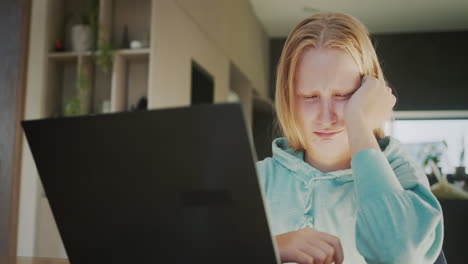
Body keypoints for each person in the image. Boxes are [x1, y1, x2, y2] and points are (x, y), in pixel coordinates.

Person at [256, 12, 444, 264]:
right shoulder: (258, 179)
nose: (326, 117)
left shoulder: (401, 173)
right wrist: (270, 248)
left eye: (343, 96)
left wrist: (359, 122)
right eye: (310, 97)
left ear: (368, 93)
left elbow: (399, 255)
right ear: (289, 98)